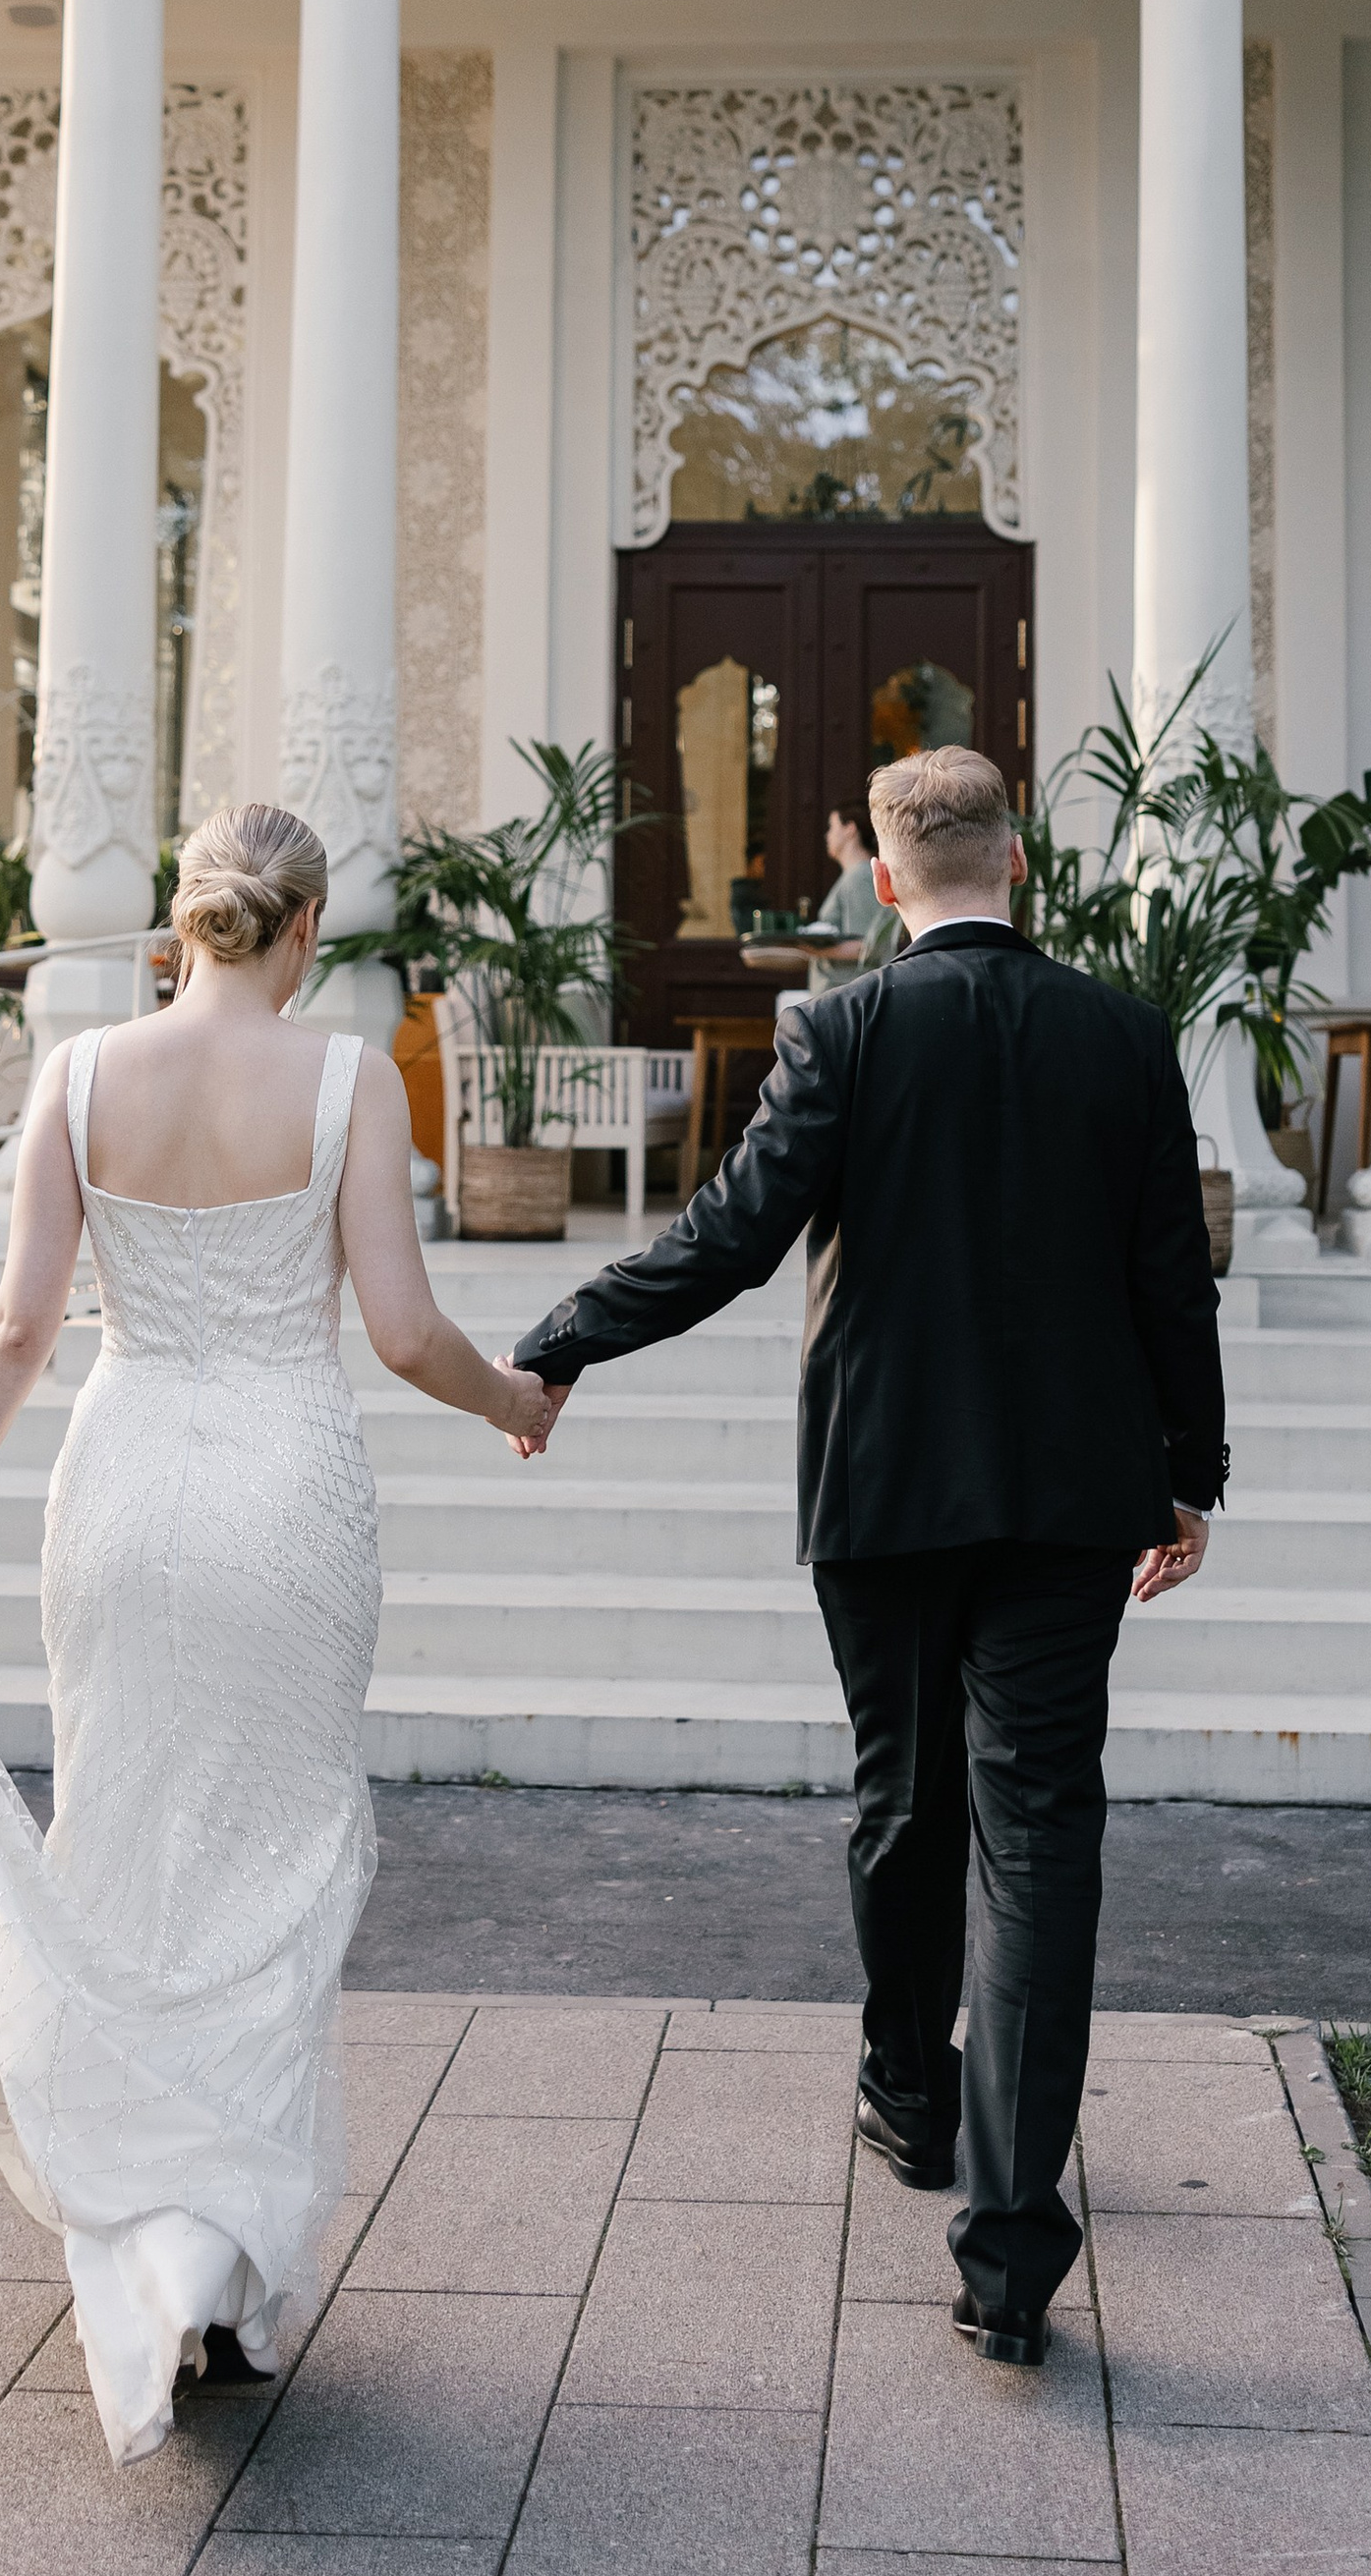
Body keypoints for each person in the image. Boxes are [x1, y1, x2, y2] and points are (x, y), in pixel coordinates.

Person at [0, 801, 551, 2467]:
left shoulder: (81, 1075)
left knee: (124, 1841)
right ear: (306, 924)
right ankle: (220, 2260)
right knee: (269, 1855)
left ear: (189, 916)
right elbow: (404, 1332)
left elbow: (26, 1321)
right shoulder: (354, 1079)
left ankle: (145, 2242)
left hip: (118, 1492)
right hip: (282, 1492)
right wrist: (513, 1404)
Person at [511, 741, 1224, 2370]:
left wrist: (564, 1339)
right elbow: (1169, 1274)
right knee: (1039, 1837)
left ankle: (910, 2100)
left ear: (885, 880)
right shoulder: (1121, 1035)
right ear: (1019, 861)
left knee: (906, 1799)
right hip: (1068, 1500)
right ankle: (1009, 2251)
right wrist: (1194, 1473)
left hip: (887, 1491)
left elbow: (730, 1240)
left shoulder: (844, 1024)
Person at [805, 801, 883, 992]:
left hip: (848, 997)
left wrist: (803, 948)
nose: (827, 835)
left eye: (832, 827)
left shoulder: (859, 877)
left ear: (850, 829)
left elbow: (866, 947)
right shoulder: (858, 875)